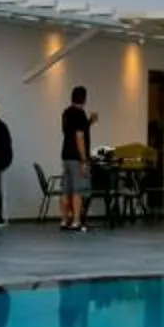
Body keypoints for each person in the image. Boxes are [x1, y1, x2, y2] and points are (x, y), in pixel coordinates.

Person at [60, 85, 97, 231]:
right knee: (77, 191)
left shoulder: (66, 113)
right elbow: (79, 136)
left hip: (65, 155)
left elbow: (71, 131)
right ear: (84, 99)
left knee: (65, 190)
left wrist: (89, 122)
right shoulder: (80, 113)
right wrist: (83, 159)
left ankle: (64, 220)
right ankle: (76, 221)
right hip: (76, 158)